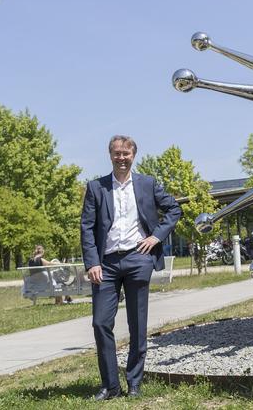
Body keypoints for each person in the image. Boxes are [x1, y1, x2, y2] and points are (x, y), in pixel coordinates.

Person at [80, 135, 182, 401]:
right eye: (117, 153)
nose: (121, 158)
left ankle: (134, 383)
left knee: (137, 325)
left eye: (126, 153)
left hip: (139, 259)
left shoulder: (147, 184)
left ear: (133, 155)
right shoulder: (96, 187)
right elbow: (87, 228)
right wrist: (92, 262)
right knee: (100, 322)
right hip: (106, 264)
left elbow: (173, 209)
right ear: (110, 155)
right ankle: (111, 386)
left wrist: (156, 237)